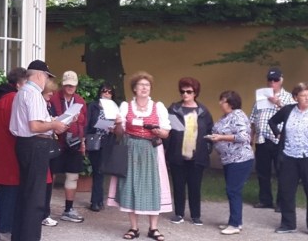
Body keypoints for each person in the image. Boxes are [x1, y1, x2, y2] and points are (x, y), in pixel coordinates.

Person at [107, 71, 171, 241]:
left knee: (153, 186)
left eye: (147, 85)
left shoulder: (158, 107)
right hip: (130, 147)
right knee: (131, 185)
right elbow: (119, 133)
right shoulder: (126, 107)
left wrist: (158, 131)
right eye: (140, 85)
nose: (144, 88)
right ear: (134, 89)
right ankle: (133, 228)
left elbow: (166, 133)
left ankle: (153, 228)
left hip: (151, 148)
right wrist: (119, 124)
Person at [9, 60, 68, 241]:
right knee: (35, 198)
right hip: (35, 145)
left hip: (24, 144)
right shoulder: (33, 93)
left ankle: (19, 236)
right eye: (47, 77)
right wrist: (55, 124)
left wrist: (51, 123)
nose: (46, 81)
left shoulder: (22, 92)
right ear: (40, 75)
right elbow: (35, 126)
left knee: (26, 194)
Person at [0, 67, 28, 241]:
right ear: (19, 84)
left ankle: (3, 227)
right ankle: (4, 228)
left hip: (1, 151)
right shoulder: (14, 99)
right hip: (11, 151)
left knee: (6, 192)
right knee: (11, 192)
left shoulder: (1, 98)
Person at [166, 77, 214, 226]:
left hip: (197, 155)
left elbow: (210, 131)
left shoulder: (203, 111)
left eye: (189, 91)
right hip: (177, 155)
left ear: (195, 93)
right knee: (178, 185)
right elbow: (166, 129)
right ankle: (179, 213)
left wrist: (207, 148)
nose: (185, 94)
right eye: (182, 91)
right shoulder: (173, 109)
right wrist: (169, 148)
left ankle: (195, 215)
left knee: (195, 186)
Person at [206, 90, 254, 235]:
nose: (220, 103)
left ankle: (234, 224)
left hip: (240, 159)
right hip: (229, 159)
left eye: (223, 101)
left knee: (233, 190)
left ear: (231, 103)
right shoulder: (226, 116)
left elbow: (243, 136)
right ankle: (236, 221)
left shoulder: (238, 115)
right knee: (233, 191)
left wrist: (220, 138)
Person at [249, 67, 294, 211]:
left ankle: (281, 203)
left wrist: (278, 103)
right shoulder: (261, 97)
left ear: (281, 80)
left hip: (279, 140)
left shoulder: (288, 98)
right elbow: (253, 119)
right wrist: (251, 138)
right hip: (262, 139)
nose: (272, 83)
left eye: (275, 80)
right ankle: (265, 200)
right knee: (262, 172)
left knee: (282, 172)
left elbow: (293, 115)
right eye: (270, 80)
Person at [268, 83, 308, 234]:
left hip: (307, 157)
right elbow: (272, 121)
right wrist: (278, 134)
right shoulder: (287, 110)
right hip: (289, 156)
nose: (307, 98)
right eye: (303, 96)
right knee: (286, 191)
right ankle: (288, 224)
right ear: (295, 97)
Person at [48, 70, 87, 223]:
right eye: (67, 85)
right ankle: (46, 210)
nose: (70, 87)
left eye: (72, 85)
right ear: (63, 85)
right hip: (57, 142)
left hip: (75, 143)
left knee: (73, 176)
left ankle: (68, 209)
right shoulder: (54, 98)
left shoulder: (80, 101)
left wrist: (82, 142)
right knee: (52, 175)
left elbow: (84, 123)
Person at [85, 83, 117, 212]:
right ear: (100, 92)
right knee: (97, 170)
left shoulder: (114, 107)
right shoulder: (93, 105)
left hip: (107, 141)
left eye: (109, 92)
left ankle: (98, 200)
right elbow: (88, 122)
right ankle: (95, 201)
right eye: (104, 91)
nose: (106, 94)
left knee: (101, 171)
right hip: (95, 140)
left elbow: (118, 123)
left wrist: (113, 128)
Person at [41, 78, 59, 227]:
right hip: (41, 147)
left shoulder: (49, 105)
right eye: (49, 91)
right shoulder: (39, 105)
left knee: (49, 181)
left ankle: (45, 213)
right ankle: (42, 213)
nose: (51, 94)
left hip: (50, 146)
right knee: (43, 182)